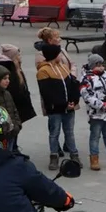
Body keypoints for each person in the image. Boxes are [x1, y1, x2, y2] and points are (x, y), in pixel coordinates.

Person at [36, 37, 81, 172]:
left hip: (69, 107)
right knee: (54, 133)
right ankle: (54, 156)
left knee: (70, 133)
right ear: (53, 55)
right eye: (59, 53)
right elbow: (47, 93)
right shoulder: (43, 71)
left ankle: (74, 155)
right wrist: (63, 104)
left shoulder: (63, 67)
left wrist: (74, 101)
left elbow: (72, 85)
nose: (61, 56)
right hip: (55, 109)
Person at [78, 54, 106, 170]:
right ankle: (94, 158)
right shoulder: (86, 79)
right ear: (92, 66)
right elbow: (87, 97)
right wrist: (103, 105)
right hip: (96, 114)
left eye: (102, 65)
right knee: (95, 136)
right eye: (98, 65)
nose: (101, 67)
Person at [0, 44, 37, 131]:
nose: (20, 57)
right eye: (18, 55)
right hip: (11, 106)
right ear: (13, 57)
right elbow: (14, 90)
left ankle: (14, 144)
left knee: (14, 129)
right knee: (11, 129)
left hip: (14, 106)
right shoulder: (10, 70)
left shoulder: (13, 67)